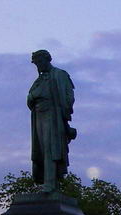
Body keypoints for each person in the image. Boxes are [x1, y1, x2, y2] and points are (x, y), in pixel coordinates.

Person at [27, 49, 76, 192]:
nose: (38, 66)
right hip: (39, 115)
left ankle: (50, 183)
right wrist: (32, 98)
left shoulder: (60, 75)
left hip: (53, 115)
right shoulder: (38, 81)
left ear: (47, 60)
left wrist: (64, 111)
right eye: (36, 64)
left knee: (51, 149)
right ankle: (48, 182)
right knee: (41, 150)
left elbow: (69, 95)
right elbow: (30, 98)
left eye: (39, 62)